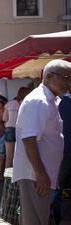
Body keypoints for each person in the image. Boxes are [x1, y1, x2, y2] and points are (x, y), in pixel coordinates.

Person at [12, 59, 71, 225]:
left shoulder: (50, 99)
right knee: (35, 220)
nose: (69, 83)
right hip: (35, 175)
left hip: (41, 174)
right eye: (66, 78)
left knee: (37, 219)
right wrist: (40, 173)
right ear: (49, 76)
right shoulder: (38, 101)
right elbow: (29, 139)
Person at [2, 87, 31, 168]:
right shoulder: (27, 104)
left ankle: (8, 179)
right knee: (20, 157)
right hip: (22, 130)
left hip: (10, 129)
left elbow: (4, 118)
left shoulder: (9, 104)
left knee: (9, 157)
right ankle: (18, 178)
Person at [55, 91, 71, 225]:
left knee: (62, 186)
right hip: (64, 152)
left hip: (63, 152)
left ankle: (63, 217)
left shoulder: (59, 102)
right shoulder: (60, 102)